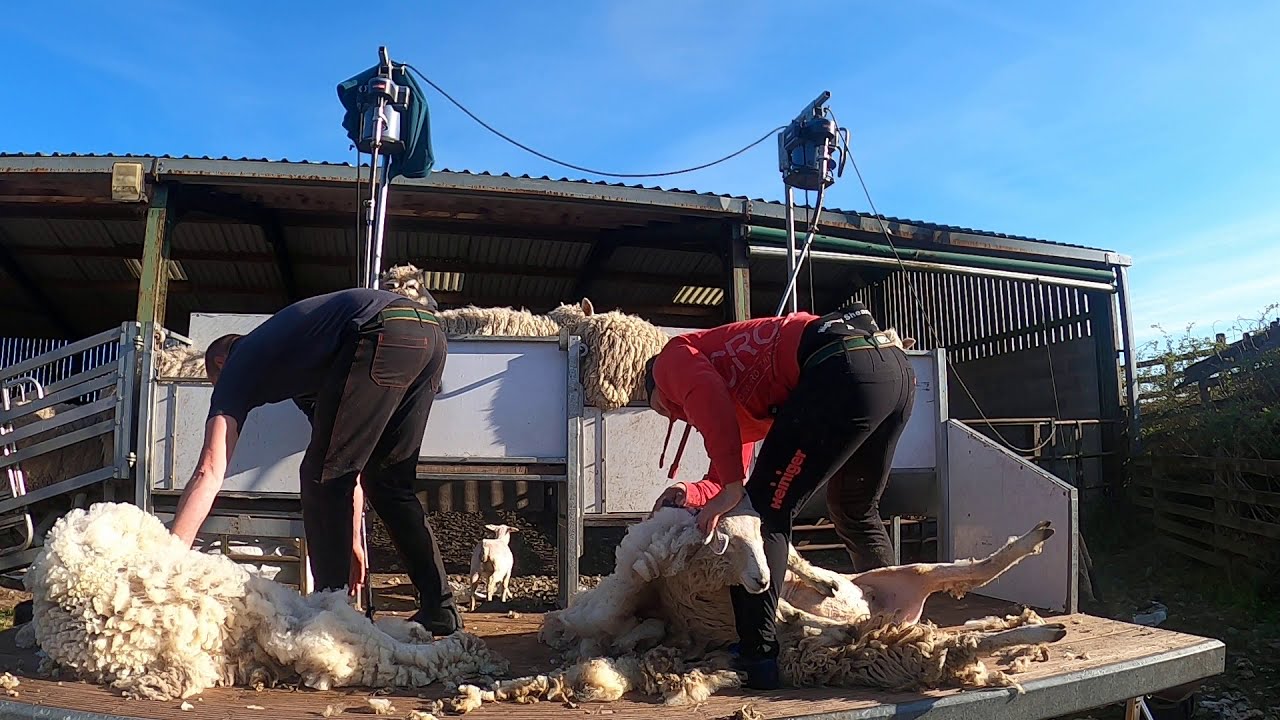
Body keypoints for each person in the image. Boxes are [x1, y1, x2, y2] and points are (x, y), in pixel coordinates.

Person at [644, 302, 915, 689]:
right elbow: (723, 477)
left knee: (766, 512)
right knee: (855, 509)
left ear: (656, 387)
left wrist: (736, 492)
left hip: (841, 367)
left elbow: (704, 397)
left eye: (662, 408)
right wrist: (691, 492)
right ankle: (896, 630)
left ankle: (758, 657)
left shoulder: (670, 360)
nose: (674, 414)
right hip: (892, 370)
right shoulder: (738, 398)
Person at [168, 287, 463, 636]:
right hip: (428, 335)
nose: (222, 392)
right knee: (388, 482)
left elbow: (209, 470)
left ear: (219, 363)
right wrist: (353, 537)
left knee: (318, 476)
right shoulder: (303, 367)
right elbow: (347, 462)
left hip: (381, 331)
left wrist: (169, 561)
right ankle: (439, 607)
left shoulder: (240, 362)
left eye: (214, 383)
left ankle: (332, 615)